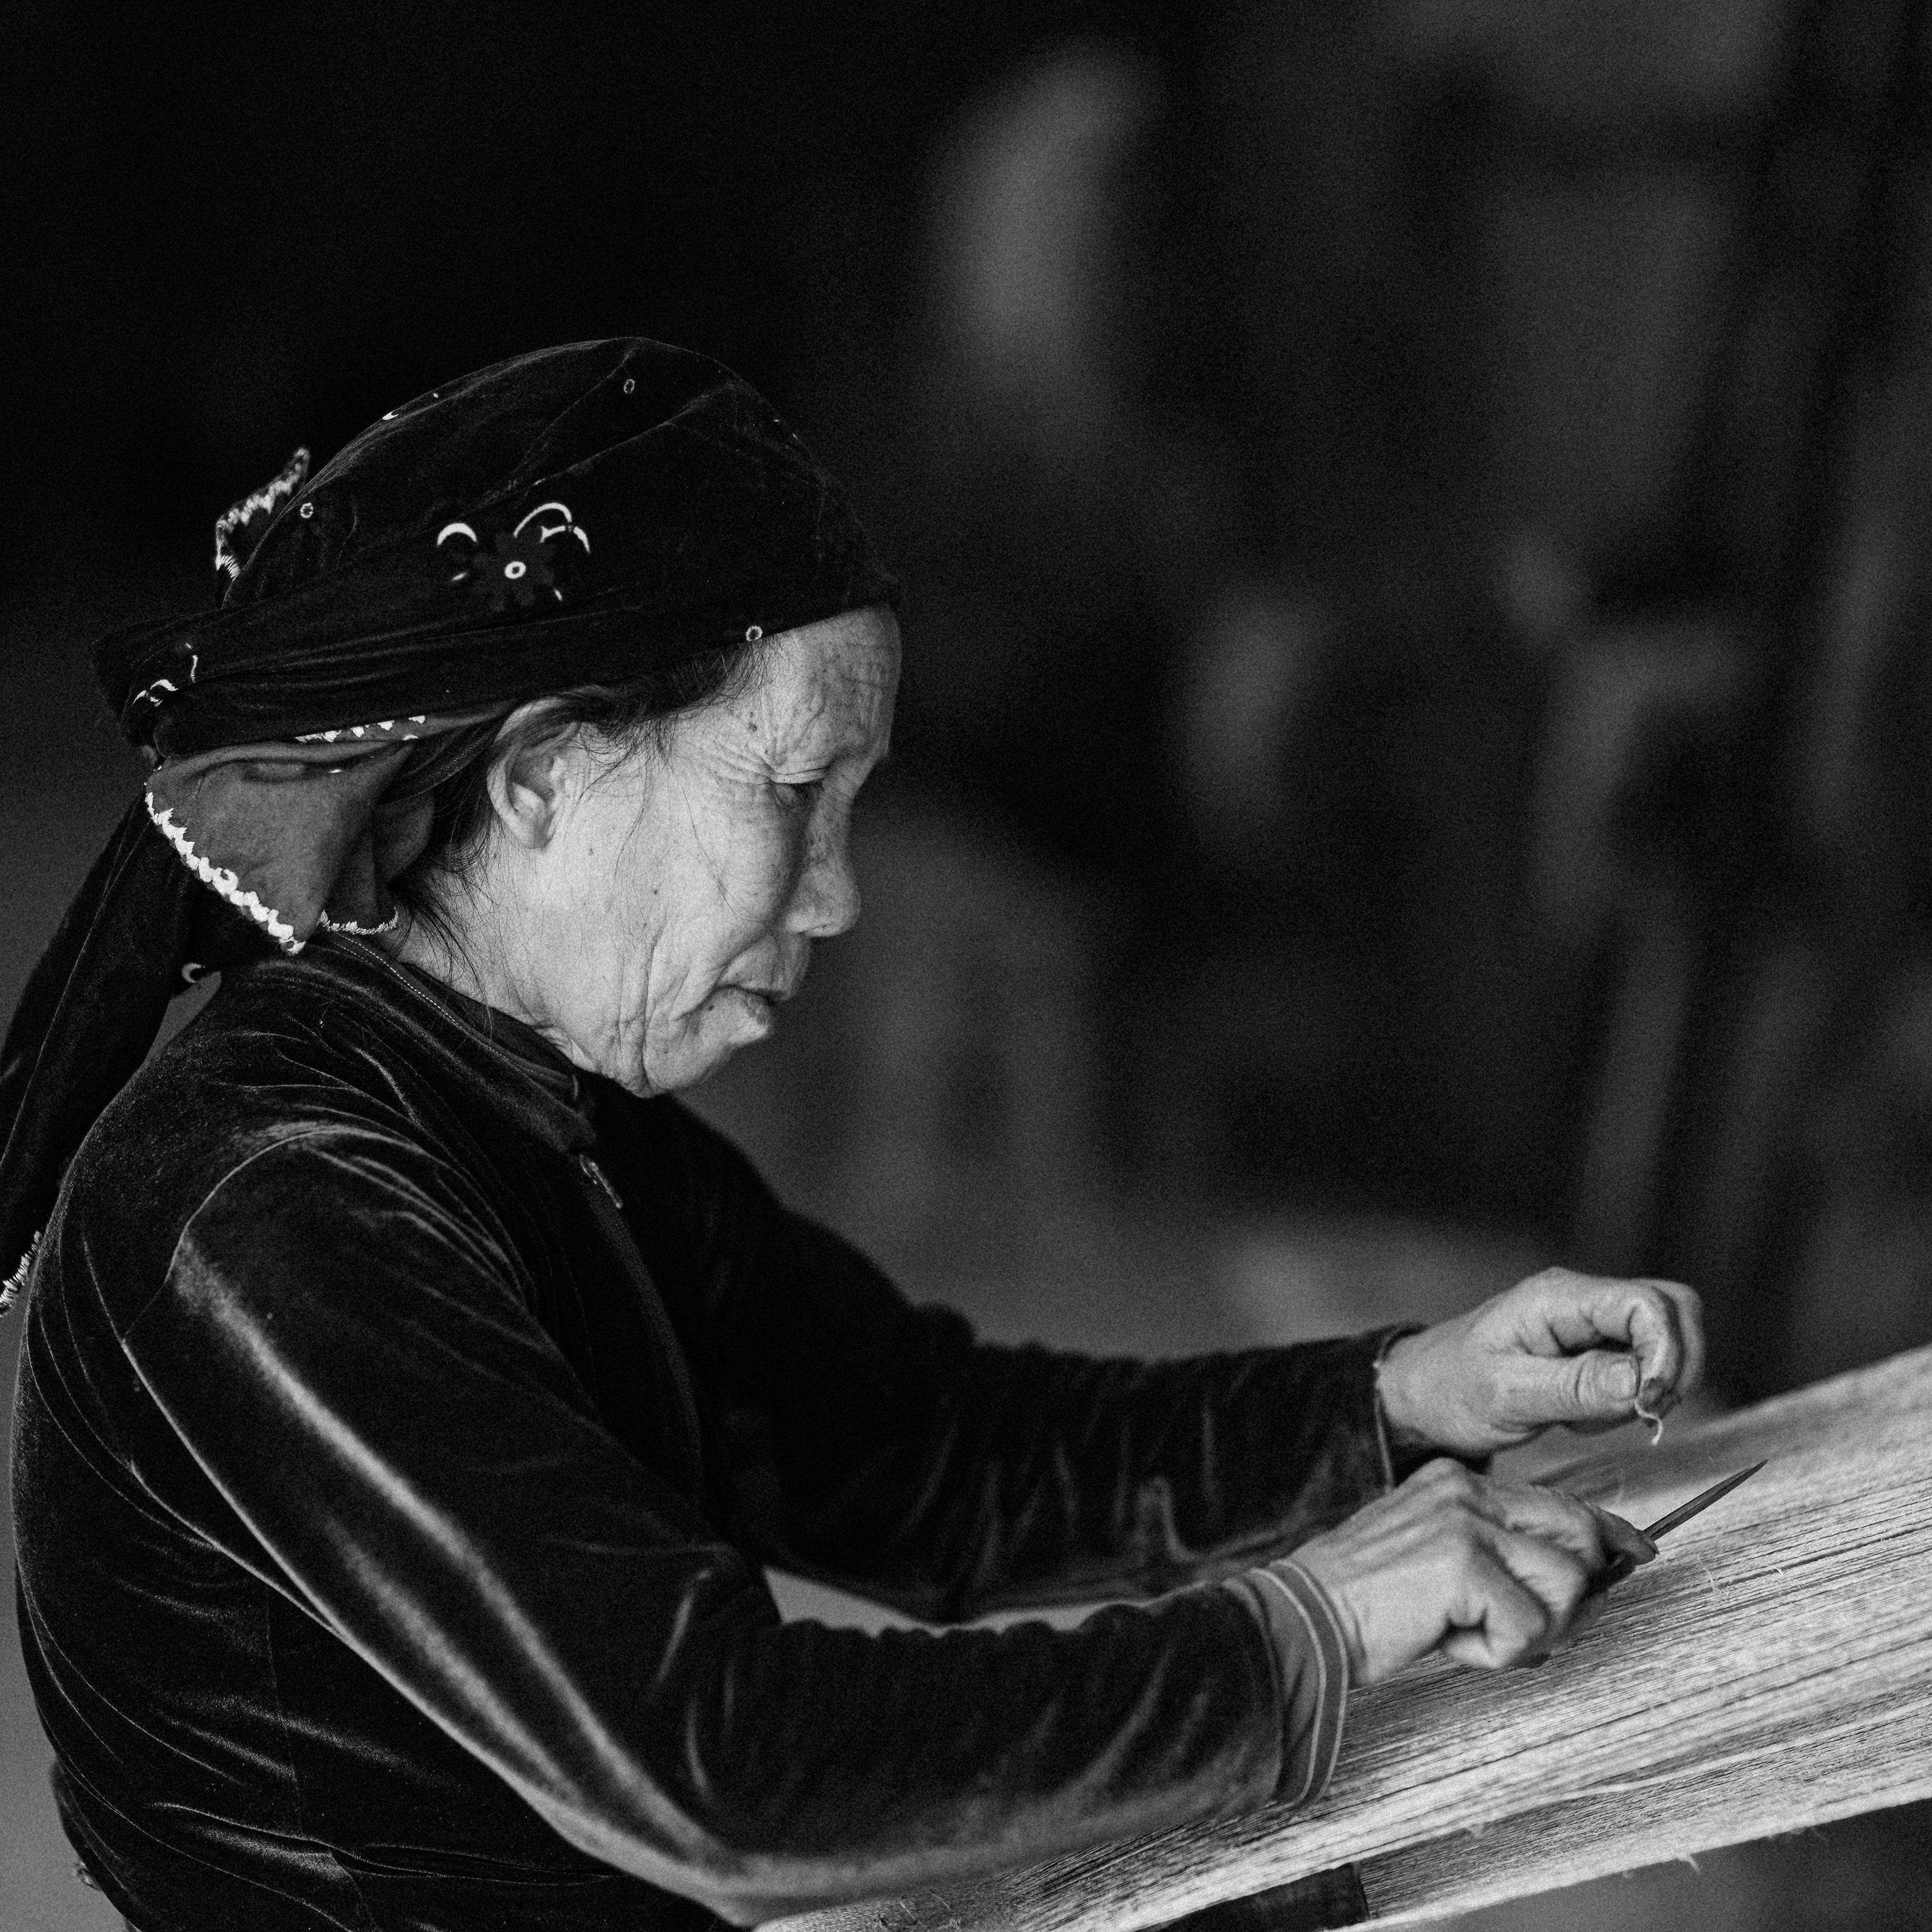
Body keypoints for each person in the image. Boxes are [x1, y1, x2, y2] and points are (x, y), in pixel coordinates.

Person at [0, 340, 1700, 1932]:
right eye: (794, 791)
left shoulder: (531, 1115)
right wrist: (1306, 1630)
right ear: (537, 782)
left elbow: (936, 1455)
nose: (837, 894)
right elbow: (719, 1760)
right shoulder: (265, 1215)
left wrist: (1396, 1399)